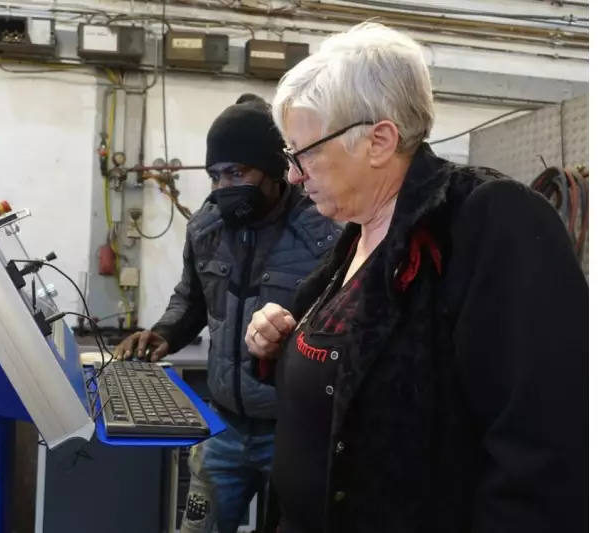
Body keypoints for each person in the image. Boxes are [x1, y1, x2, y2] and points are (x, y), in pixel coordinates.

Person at [245, 22, 588, 533]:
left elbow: (546, 449)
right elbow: (354, 372)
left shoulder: (486, 221)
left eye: (304, 153)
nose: (293, 175)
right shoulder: (357, 240)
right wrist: (282, 347)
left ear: (379, 140)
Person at [114, 93, 343, 533]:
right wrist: (165, 332)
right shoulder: (208, 227)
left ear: (275, 170)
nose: (224, 189)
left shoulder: (325, 236)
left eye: (237, 173)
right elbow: (192, 297)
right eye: (216, 177)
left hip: (295, 434)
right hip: (224, 429)